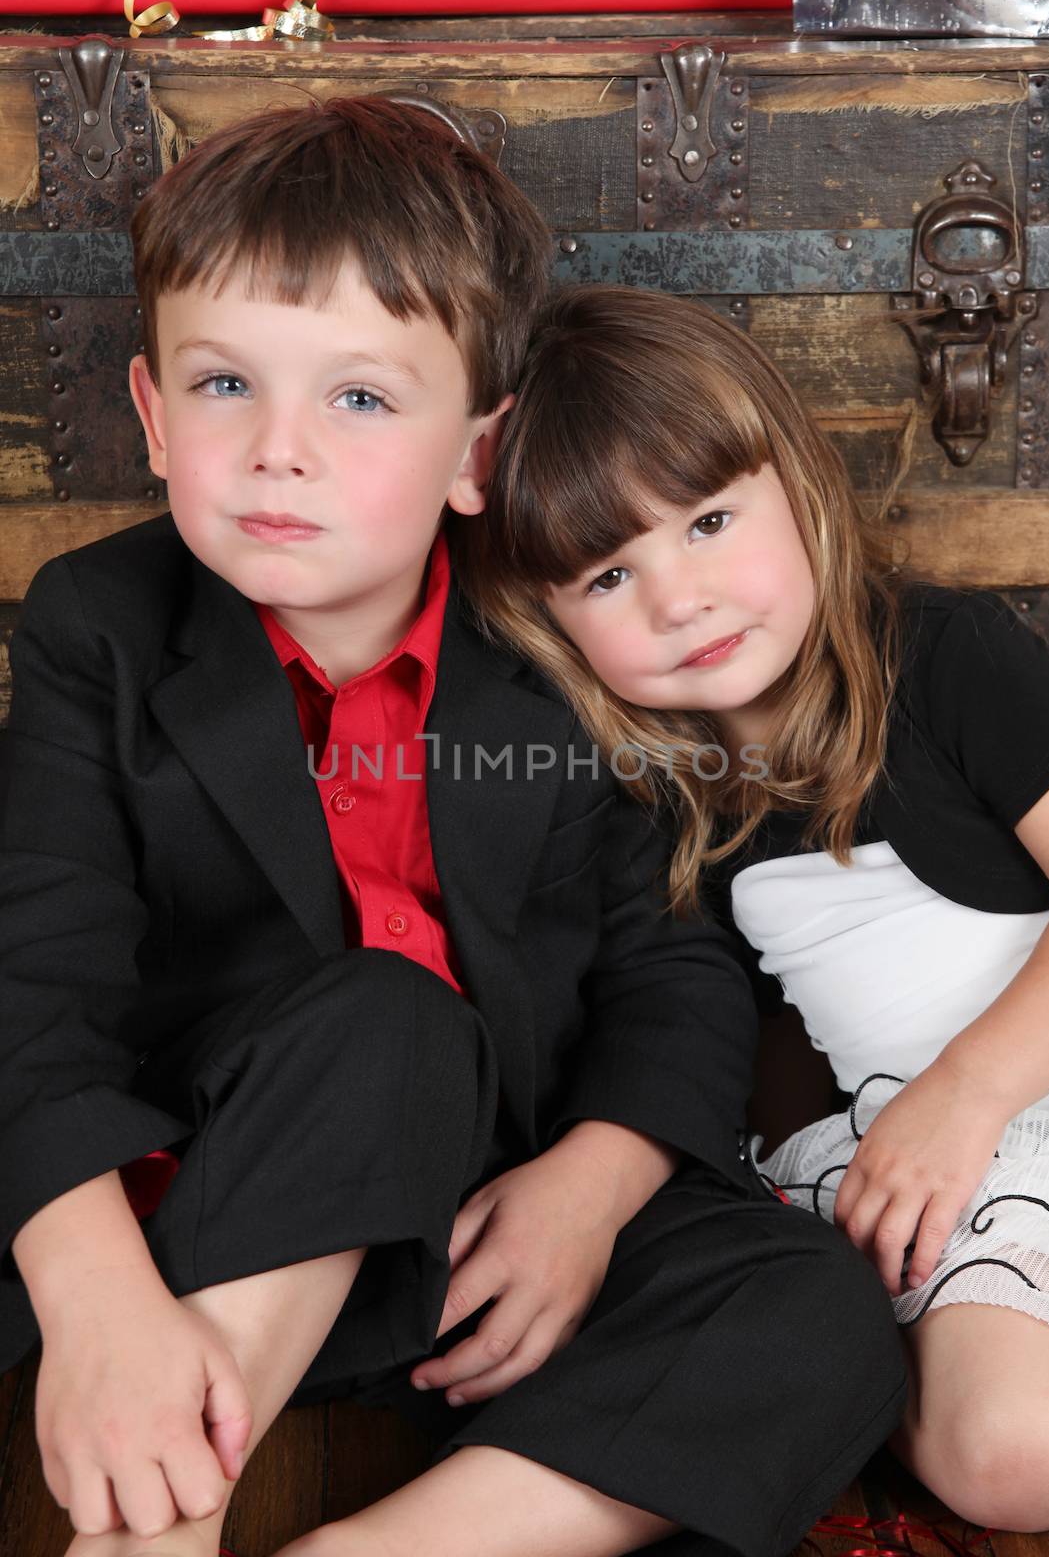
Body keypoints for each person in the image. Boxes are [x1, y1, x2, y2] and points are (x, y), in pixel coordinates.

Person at [0, 105, 906, 1557]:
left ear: (474, 453)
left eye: (359, 400)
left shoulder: (543, 643)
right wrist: (96, 1297)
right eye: (224, 383)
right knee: (389, 1018)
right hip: (210, 1234)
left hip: (476, 1239)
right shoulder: (99, 631)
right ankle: (154, 1519)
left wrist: (586, 1191)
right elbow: (31, 979)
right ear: (155, 419)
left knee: (816, 1313)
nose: (277, 452)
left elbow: (662, 962)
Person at [458, 282, 1049, 1536]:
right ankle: (876, 1378)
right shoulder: (633, 797)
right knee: (1007, 1457)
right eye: (607, 573)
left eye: (710, 520)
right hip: (910, 1173)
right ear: (546, 620)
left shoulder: (942, 658)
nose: (678, 600)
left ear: (793, 480)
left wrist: (964, 1091)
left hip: (1009, 1085)